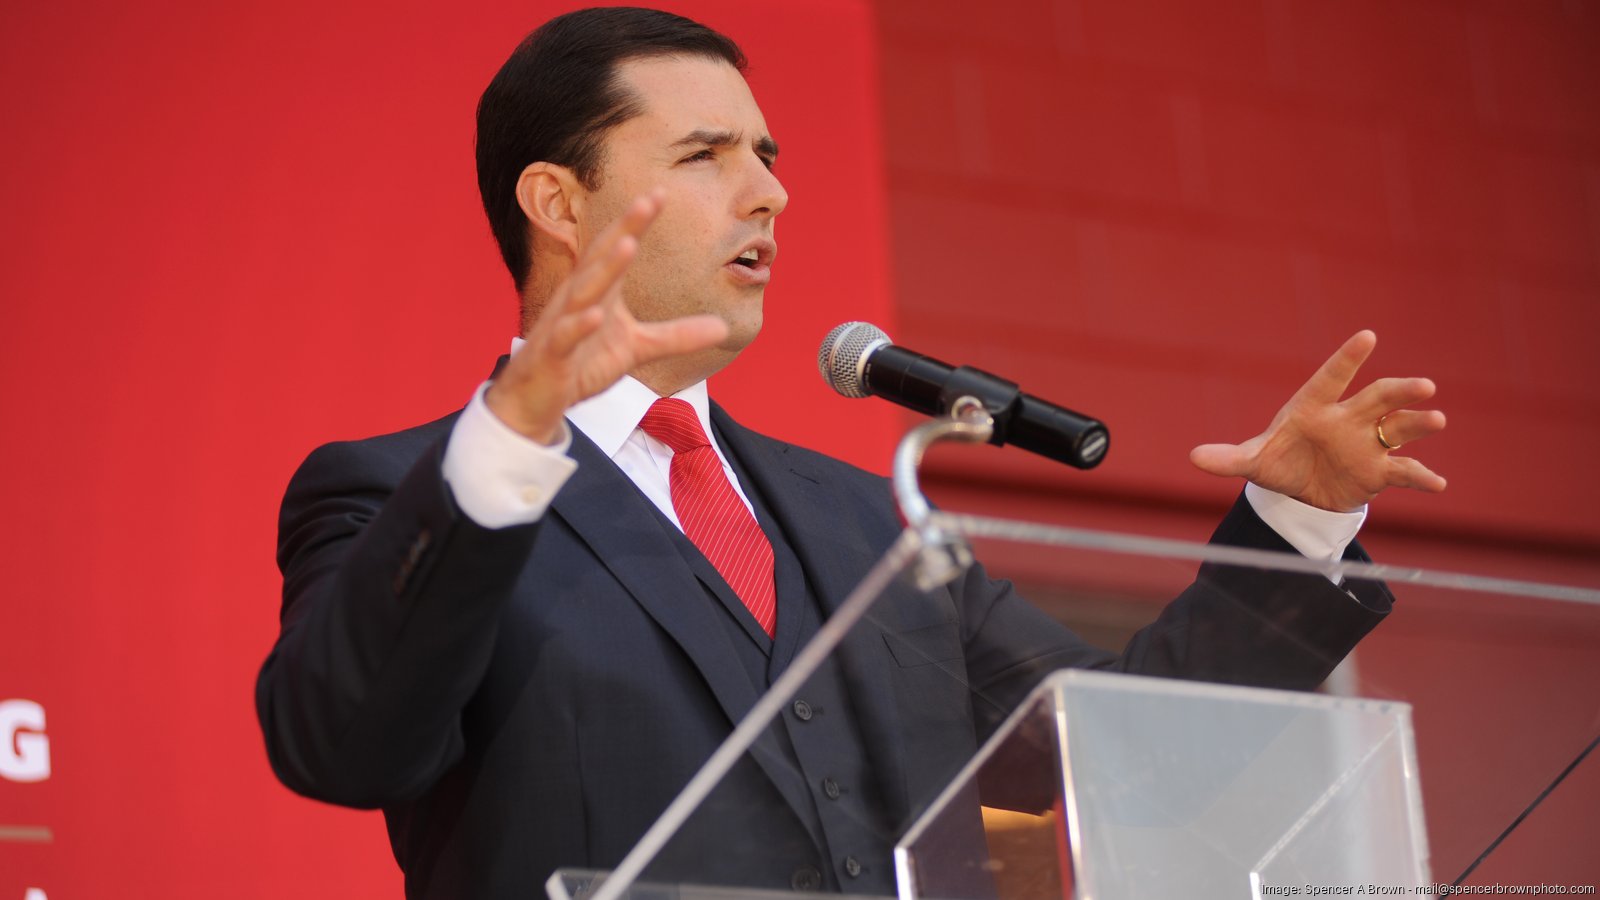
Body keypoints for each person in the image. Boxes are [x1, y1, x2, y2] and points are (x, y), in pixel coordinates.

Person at [256, 8, 1447, 898]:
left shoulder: (866, 524)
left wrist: (1293, 527)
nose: (768, 192)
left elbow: (1123, 761)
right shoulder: (400, 493)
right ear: (559, 206)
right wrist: (508, 436)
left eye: (769, 156)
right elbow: (342, 743)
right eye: (705, 155)